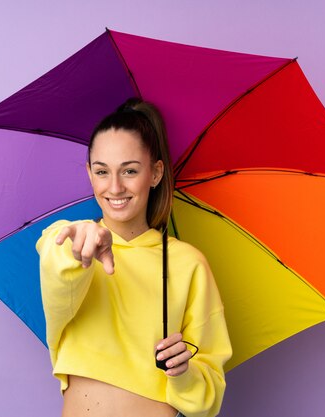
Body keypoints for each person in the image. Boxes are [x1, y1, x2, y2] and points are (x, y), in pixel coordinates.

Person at [36, 98, 232, 417]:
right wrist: (81, 243)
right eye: (102, 171)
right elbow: (58, 274)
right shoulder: (67, 239)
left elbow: (208, 400)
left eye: (129, 170)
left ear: (155, 174)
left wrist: (184, 373)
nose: (115, 187)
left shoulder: (187, 264)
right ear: (89, 174)